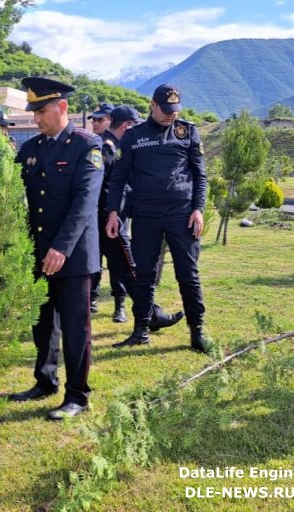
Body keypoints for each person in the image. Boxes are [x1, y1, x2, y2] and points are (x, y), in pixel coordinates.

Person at [10, 77, 103, 420]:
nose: (36, 119)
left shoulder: (87, 147)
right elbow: (13, 189)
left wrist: (61, 248)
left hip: (74, 254)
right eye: (33, 112)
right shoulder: (32, 149)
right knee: (42, 322)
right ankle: (45, 380)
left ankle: (77, 395)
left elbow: (84, 203)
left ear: (62, 107)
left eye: (42, 111)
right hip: (39, 250)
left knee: (76, 327)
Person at [106, 84, 210, 353]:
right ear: (152, 105)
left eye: (174, 110)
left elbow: (200, 176)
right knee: (143, 274)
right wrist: (113, 212)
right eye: (165, 110)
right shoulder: (133, 136)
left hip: (181, 214)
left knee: (188, 274)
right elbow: (118, 178)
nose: (170, 115)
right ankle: (141, 330)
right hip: (145, 214)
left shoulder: (188, 132)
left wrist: (198, 209)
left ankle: (197, 332)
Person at [98, 105, 184, 329]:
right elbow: (106, 188)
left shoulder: (107, 145)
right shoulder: (110, 149)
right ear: (127, 126)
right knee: (131, 269)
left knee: (126, 270)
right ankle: (152, 315)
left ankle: (150, 314)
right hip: (109, 221)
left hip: (107, 220)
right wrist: (115, 214)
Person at [88, 102, 113, 313]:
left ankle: (120, 303)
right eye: (94, 120)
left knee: (116, 260)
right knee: (93, 256)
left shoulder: (114, 146)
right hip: (93, 211)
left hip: (111, 211)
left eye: (100, 119)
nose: (95, 123)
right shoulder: (91, 144)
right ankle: (92, 297)